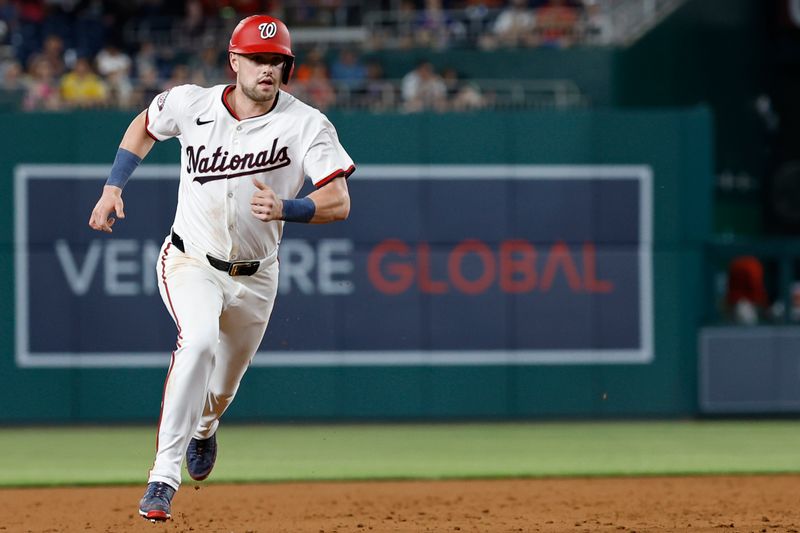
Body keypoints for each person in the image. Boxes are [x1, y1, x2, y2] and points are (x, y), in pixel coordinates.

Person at [87, 14, 355, 522]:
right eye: (257, 58)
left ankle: (206, 427)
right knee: (199, 341)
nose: (268, 68)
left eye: (277, 61)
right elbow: (145, 124)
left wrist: (288, 208)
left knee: (225, 386)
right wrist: (113, 186)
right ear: (234, 61)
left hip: (257, 276)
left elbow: (339, 201)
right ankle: (163, 478)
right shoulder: (192, 102)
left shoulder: (306, 124)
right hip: (190, 259)